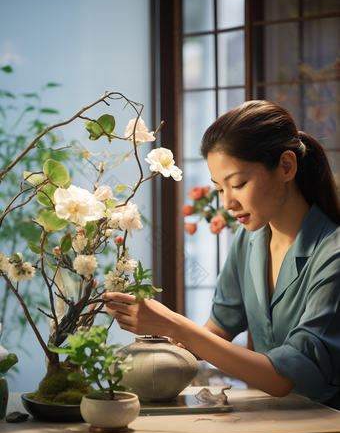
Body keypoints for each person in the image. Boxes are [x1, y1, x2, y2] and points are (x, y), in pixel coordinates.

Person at [103, 100, 340, 410]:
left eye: (238, 184)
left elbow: (285, 379)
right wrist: (160, 335)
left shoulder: (332, 254)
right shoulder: (249, 241)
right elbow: (219, 329)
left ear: (286, 166)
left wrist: (175, 324)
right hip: (272, 417)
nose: (228, 203)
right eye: (219, 189)